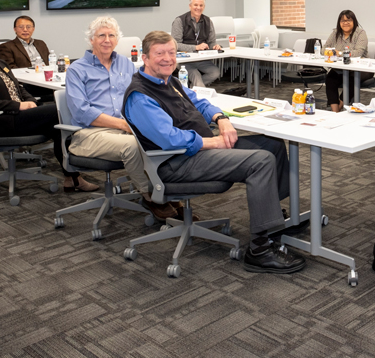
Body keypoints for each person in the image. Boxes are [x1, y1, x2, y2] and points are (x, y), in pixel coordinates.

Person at [123, 30, 305, 274]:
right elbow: (169, 139)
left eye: (171, 53)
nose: (167, 58)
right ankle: (260, 250)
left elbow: (200, 102)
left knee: (271, 144)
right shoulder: (140, 96)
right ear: (145, 58)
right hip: (175, 163)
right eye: (159, 54)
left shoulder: (171, 81)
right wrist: (214, 143)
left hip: (199, 152)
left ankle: (274, 220)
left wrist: (222, 118)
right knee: (260, 161)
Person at [0, 21, 97, 194]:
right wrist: (19, 105)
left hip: (17, 117)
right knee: (59, 110)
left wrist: (32, 103)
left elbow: (20, 89)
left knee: (59, 126)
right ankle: (89, 159)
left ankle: (72, 177)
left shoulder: (0, 63)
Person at [65, 17, 177, 220]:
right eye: (101, 35)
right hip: (88, 134)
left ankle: (168, 191)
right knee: (133, 145)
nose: (107, 40)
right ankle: (150, 196)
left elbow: (142, 92)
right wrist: (122, 125)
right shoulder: (76, 70)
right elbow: (82, 112)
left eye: (111, 35)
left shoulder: (126, 64)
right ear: (91, 40)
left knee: (164, 136)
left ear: (117, 40)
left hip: (126, 129)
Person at [323, 10, 371, 112]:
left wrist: (338, 53)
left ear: (354, 21)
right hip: (341, 66)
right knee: (330, 78)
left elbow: (358, 52)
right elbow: (324, 49)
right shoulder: (335, 33)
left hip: (361, 68)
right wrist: (331, 52)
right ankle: (334, 111)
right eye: (342, 20)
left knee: (352, 80)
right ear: (339, 23)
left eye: (348, 20)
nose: (345, 23)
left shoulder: (360, 33)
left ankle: (340, 106)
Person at [170, 0, 222, 87]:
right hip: (184, 59)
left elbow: (211, 41)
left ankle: (192, 88)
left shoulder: (208, 21)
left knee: (215, 72)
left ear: (204, 7)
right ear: (190, 6)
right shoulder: (179, 21)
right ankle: (198, 93)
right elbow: (175, 44)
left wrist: (215, 46)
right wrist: (195, 47)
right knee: (195, 75)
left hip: (201, 58)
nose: (198, 7)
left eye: (201, 5)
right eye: (195, 5)